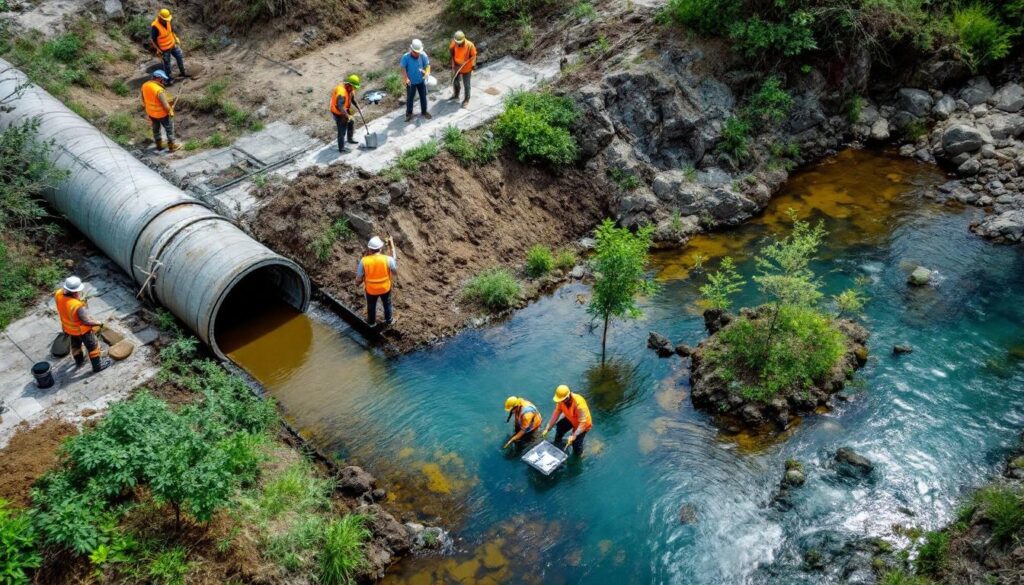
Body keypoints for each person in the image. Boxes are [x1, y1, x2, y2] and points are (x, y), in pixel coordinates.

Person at [54, 276, 111, 374]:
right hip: (82, 331)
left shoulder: (58, 294)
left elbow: (64, 307)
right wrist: (99, 323)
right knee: (93, 347)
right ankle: (97, 366)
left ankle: (79, 361)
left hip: (68, 329)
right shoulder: (76, 305)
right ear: (76, 292)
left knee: (75, 345)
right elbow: (87, 321)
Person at [355, 236, 397, 328]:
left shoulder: (364, 261)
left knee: (371, 306)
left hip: (371, 290)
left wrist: (357, 283)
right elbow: (394, 272)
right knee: (387, 304)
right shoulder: (388, 259)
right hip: (385, 288)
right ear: (380, 248)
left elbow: (359, 278)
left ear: (369, 249)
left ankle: (371, 323)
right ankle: (389, 320)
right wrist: (392, 247)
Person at [541, 385, 592, 455]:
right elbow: (556, 413)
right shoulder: (561, 401)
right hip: (570, 417)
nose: (561, 401)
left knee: (576, 443)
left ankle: (579, 454)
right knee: (560, 426)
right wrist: (547, 428)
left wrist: (574, 435)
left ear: (568, 397)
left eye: (562, 400)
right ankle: (557, 442)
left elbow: (583, 423)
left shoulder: (579, 404)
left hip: (582, 424)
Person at [141, 70, 179, 152]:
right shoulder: (159, 90)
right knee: (169, 130)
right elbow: (166, 105)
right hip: (162, 114)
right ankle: (172, 146)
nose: (163, 81)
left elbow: (143, 99)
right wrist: (170, 111)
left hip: (151, 113)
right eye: (162, 79)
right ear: (158, 78)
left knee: (156, 129)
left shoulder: (145, 85)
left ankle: (159, 145)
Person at [150, 8, 186, 84]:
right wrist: (158, 50)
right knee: (167, 64)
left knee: (179, 56)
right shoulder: (155, 27)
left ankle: (183, 72)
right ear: (160, 17)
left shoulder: (168, 22)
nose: (166, 21)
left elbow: (171, 32)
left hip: (172, 44)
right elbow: (153, 40)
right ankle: (168, 79)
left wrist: (176, 38)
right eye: (164, 19)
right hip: (164, 49)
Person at [400, 39, 432, 123]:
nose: (417, 54)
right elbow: (403, 68)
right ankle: (409, 113)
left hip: (421, 80)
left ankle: (424, 111)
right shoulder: (406, 57)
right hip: (411, 82)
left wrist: (427, 73)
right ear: (411, 49)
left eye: (418, 52)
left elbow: (427, 65)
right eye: (415, 52)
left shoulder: (423, 55)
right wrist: (406, 78)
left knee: (423, 96)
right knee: (410, 98)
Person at [330, 74, 361, 153]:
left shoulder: (350, 89)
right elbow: (339, 106)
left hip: (345, 109)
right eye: (353, 87)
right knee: (342, 130)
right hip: (338, 112)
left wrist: (358, 107)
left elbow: (352, 99)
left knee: (351, 122)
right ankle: (341, 148)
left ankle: (350, 139)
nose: (354, 89)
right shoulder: (342, 92)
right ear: (348, 84)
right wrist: (347, 116)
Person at [449, 31, 477, 108]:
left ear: (464, 39)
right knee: (455, 81)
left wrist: (473, 65)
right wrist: (452, 65)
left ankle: (466, 99)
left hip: (467, 67)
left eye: (460, 42)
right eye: (457, 42)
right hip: (457, 66)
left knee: (467, 85)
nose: (458, 44)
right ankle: (456, 95)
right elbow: (451, 54)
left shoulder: (470, 45)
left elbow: (473, 56)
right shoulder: (453, 43)